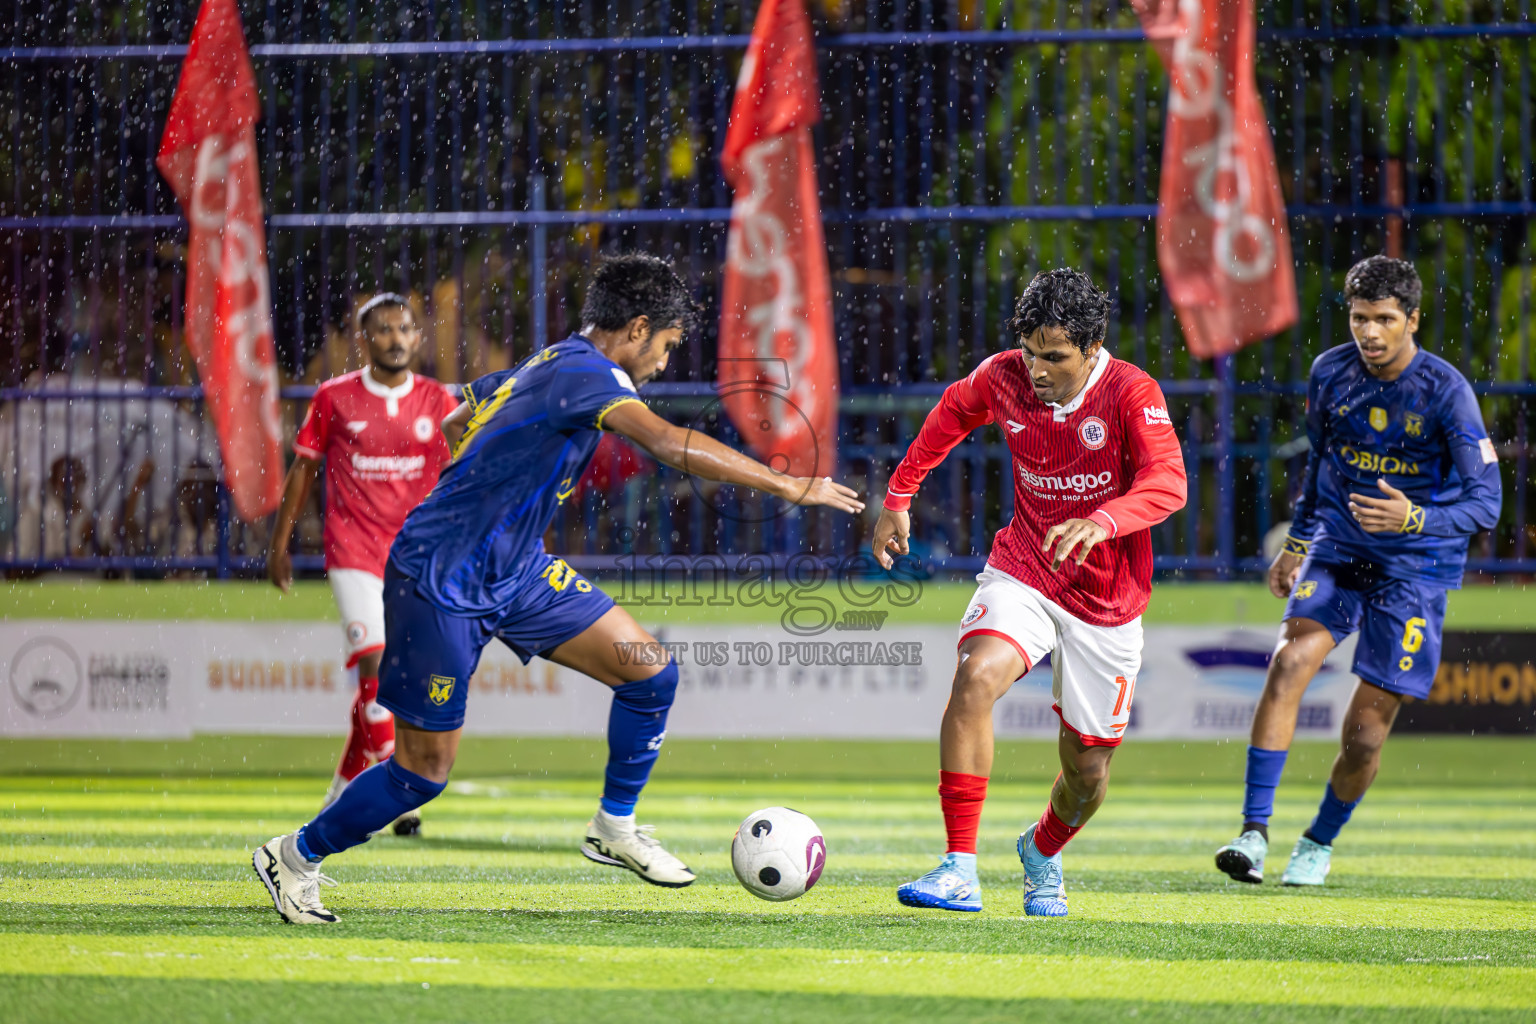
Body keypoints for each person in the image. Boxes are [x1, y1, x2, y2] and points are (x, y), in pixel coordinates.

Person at [253, 253, 865, 923]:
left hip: (515, 569)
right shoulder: (587, 375)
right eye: (663, 346)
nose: (663, 362)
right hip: (440, 577)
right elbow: (668, 441)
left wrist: (491, 483)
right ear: (637, 328)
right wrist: (787, 483)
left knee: (650, 675)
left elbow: (461, 417)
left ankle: (614, 827)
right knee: (422, 773)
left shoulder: (550, 362)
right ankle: (294, 855)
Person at [872, 269, 1186, 917]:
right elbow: (950, 415)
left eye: (1055, 356)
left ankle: (1043, 848)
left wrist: (1103, 520)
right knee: (975, 677)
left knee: (1088, 772)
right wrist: (899, 495)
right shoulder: (1003, 377)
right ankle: (959, 866)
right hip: (1027, 568)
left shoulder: (1131, 392)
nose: (1038, 369)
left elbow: (1169, 484)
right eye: (1030, 352)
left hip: (1108, 601)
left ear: (1092, 349)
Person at [1215, 256, 1501, 886]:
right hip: (1340, 548)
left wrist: (1413, 519)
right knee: (1290, 662)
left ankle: (1318, 842)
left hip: (1416, 569)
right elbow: (1323, 462)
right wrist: (1296, 540)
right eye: (1359, 318)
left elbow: (1487, 502)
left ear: (1412, 320)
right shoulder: (1330, 372)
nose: (1369, 333)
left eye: (1384, 320)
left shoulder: (1447, 392)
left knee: (1366, 736)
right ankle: (1253, 833)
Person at [267, 293, 459, 836]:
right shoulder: (334, 398)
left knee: (392, 681)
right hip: (353, 552)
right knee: (375, 668)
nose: (396, 339)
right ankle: (401, 795)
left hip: (416, 561)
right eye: (384, 330)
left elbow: (458, 476)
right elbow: (302, 472)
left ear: (418, 338)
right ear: (364, 339)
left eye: (404, 329)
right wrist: (280, 544)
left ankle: (341, 792)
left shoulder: (439, 402)